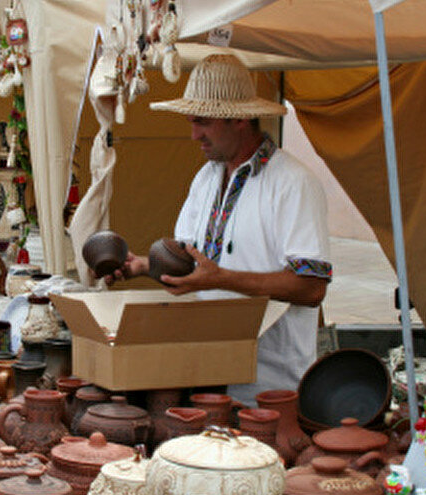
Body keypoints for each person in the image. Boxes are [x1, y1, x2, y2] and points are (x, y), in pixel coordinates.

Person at [109, 54, 332, 406]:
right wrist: (143, 267)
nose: (194, 134)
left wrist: (221, 278)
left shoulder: (293, 183)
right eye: (191, 122)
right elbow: (194, 268)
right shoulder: (206, 178)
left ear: (240, 117)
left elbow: (312, 287)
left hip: (268, 391)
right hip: (205, 377)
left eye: (203, 122)